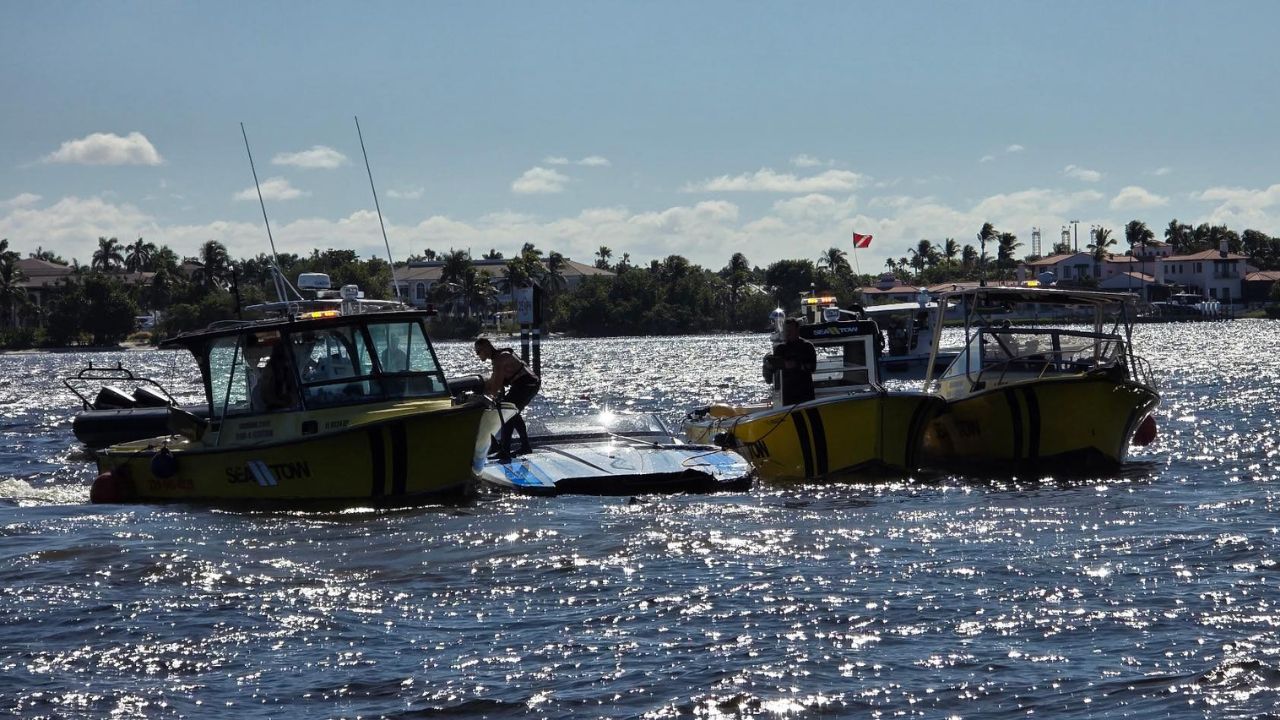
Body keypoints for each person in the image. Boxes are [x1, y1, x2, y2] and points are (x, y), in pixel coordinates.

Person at [474, 337, 540, 457]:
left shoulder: (500, 359)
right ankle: (525, 446)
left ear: (487, 347)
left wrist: (484, 400)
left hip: (528, 384)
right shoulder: (497, 358)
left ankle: (505, 451)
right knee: (513, 413)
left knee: (507, 412)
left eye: (479, 351)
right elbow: (494, 383)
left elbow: (496, 387)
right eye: (476, 352)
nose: (478, 354)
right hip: (522, 385)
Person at [767, 317, 817, 405]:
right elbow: (773, 367)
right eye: (786, 330)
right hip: (787, 395)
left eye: (790, 330)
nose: (788, 333)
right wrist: (772, 363)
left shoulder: (807, 346)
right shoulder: (780, 348)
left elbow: (812, 367)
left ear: (797, 330)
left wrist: (796, 365)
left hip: (805, 393)